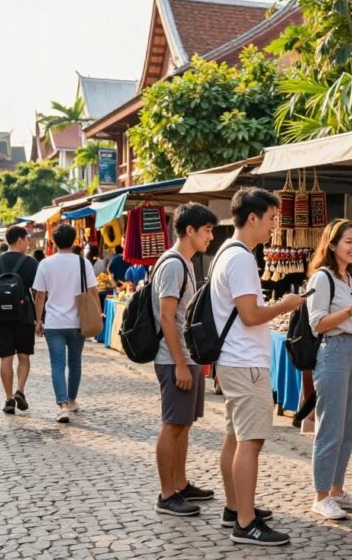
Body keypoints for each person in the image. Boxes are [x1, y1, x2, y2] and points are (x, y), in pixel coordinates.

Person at [211, 188, 305, 546]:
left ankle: (235, 508)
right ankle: (246, 524)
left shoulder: (227, 253)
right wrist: (286, 305)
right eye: (270, 219)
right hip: (245, 360)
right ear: (252, 218)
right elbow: (250, 315)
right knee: (250, 441)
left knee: (235, 437)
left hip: (234, 359)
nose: (273, 226)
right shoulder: (242, 259)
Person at [306, 219, 352, 520]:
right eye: (348, 241)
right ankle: (320, 495)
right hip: (332, 350)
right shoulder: (322, 278)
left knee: (349, 428)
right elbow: (317, 324)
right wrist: (350, 310)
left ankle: (337, 489)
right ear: (332, 244)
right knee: (330, 428)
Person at [153, 203, 219, 517]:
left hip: (186, 356)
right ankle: (167, 495)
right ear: (189, 230)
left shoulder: (185, 263)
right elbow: (167, 317)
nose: (211, 236)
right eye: (207, 230)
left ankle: (179, 483)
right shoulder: (174, 265)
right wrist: (180, 363)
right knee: (173, 424)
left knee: (183, 425)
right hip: (173, 358)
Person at [33, 224, 101, 424]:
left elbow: (39, 296)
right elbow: (93, 290)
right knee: (75, 363)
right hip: (77, 321)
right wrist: (98, 312)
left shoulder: (45, 264)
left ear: (53, 242)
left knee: (57, 364)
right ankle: (71, 400)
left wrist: (38, 320)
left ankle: (62, 406)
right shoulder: (83, 263)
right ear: (74, 242)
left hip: (54, 322)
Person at [0, 226, 38, 415]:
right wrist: (39, 318)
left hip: (3, 317)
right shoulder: (31, 263)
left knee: (6, 357)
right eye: (27, 239)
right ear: (20, 240)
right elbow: (38, 293)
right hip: (25, 316)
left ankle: (8, 399)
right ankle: (20, 390)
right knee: (23, 356)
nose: (28, 242)